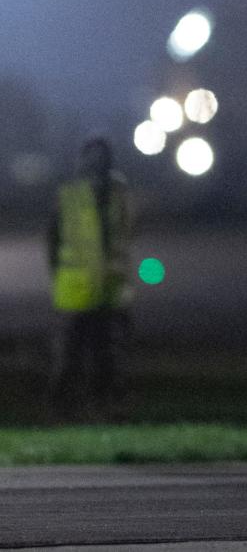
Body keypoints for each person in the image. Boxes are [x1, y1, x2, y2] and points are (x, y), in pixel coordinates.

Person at [47, 137, 131, 420]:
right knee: (85, 358)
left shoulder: (84, 197)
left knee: (93, 358)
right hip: (89, 293)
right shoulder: (109, 196)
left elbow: (52, 245)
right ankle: (79, 409)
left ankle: (85, 408)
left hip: (95, 293)